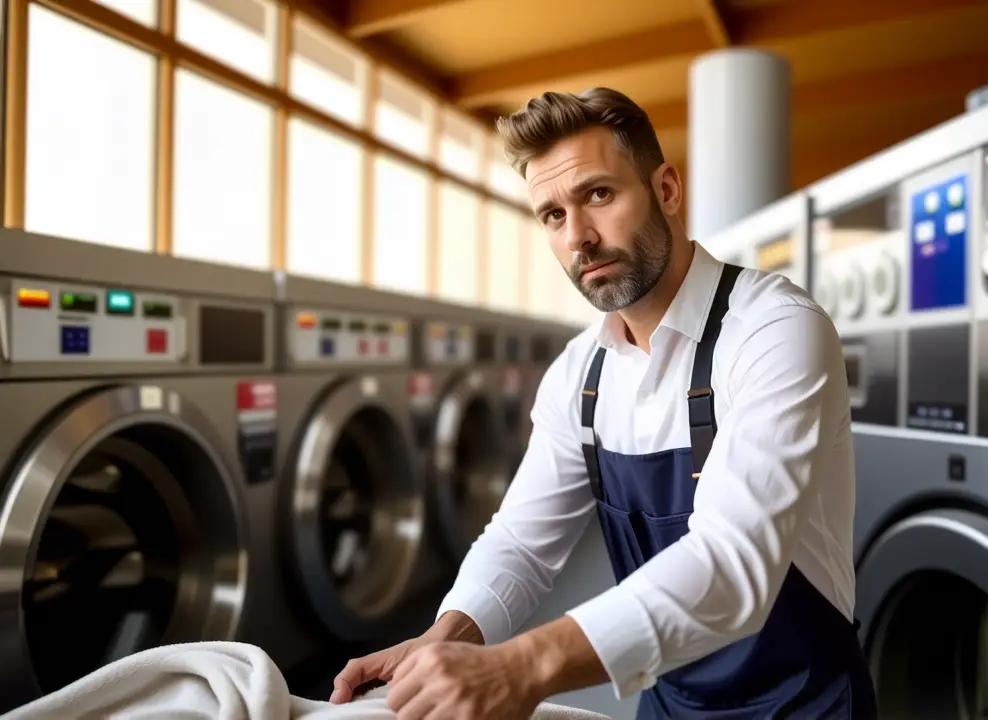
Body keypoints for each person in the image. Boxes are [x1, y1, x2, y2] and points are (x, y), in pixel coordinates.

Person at [330, 87, 877, 720]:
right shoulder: (578, 374)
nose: (579, 238)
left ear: (666, 190)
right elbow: (522, 542)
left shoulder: (774, 329)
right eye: (553, 216)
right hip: (670, 701)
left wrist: (523, 666)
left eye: (598, 195)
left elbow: (734, 567)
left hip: (803, 704)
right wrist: (441, 639)